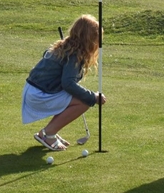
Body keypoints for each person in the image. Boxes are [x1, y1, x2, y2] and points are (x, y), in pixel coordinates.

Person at [22, 14, 106, 150]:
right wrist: (93, 96)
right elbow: (68, 83)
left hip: (35, 91)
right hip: (39, 95)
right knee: (85, 101)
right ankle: (49, 134)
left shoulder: (65, 47)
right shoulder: (74, 54)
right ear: (89, 39)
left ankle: (47, 132)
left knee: (80, 97)